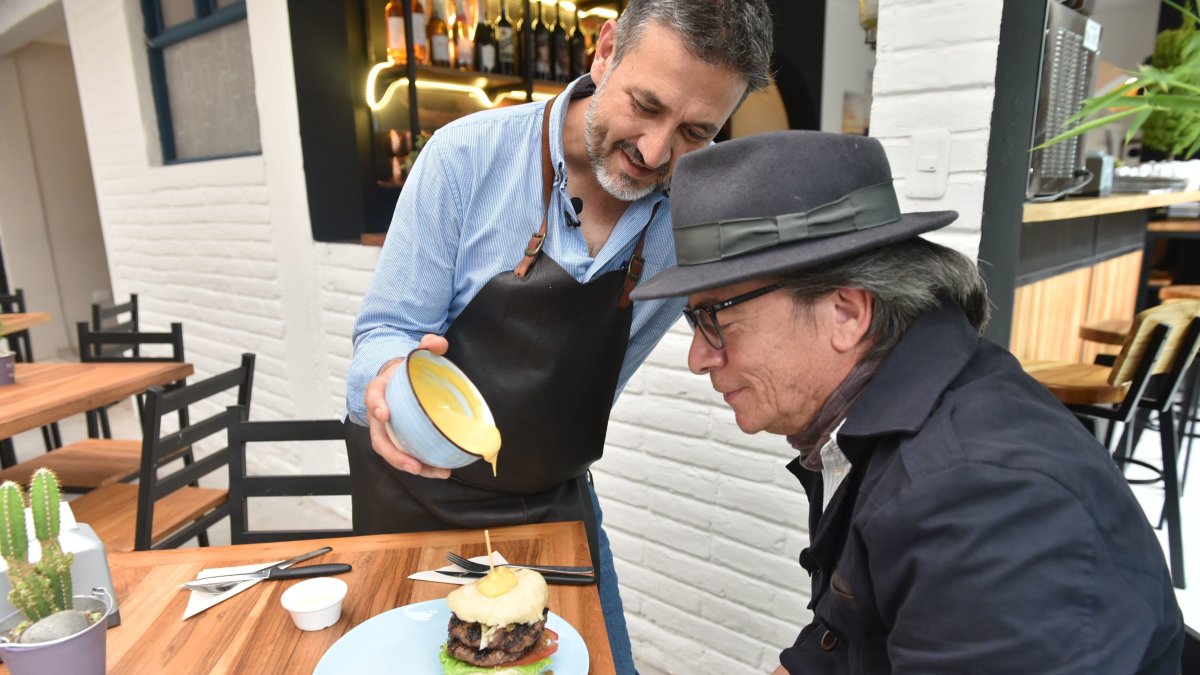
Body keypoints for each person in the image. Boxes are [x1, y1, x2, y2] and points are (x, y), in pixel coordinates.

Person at [629, 130, 1185, 674]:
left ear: (846, 312)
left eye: (716, 318)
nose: (699, 357)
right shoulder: (885, 415)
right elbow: (849, 634)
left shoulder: (979, 499)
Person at [344, 1, 773, 671]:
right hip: (413, 500)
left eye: (695, 131)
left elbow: (762, 323)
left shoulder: (695, 220)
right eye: (645, 105)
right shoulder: (467, 159)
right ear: (604, 53)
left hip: (554, 506)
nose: (656, 152)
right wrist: (386, 380)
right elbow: (385, 332)